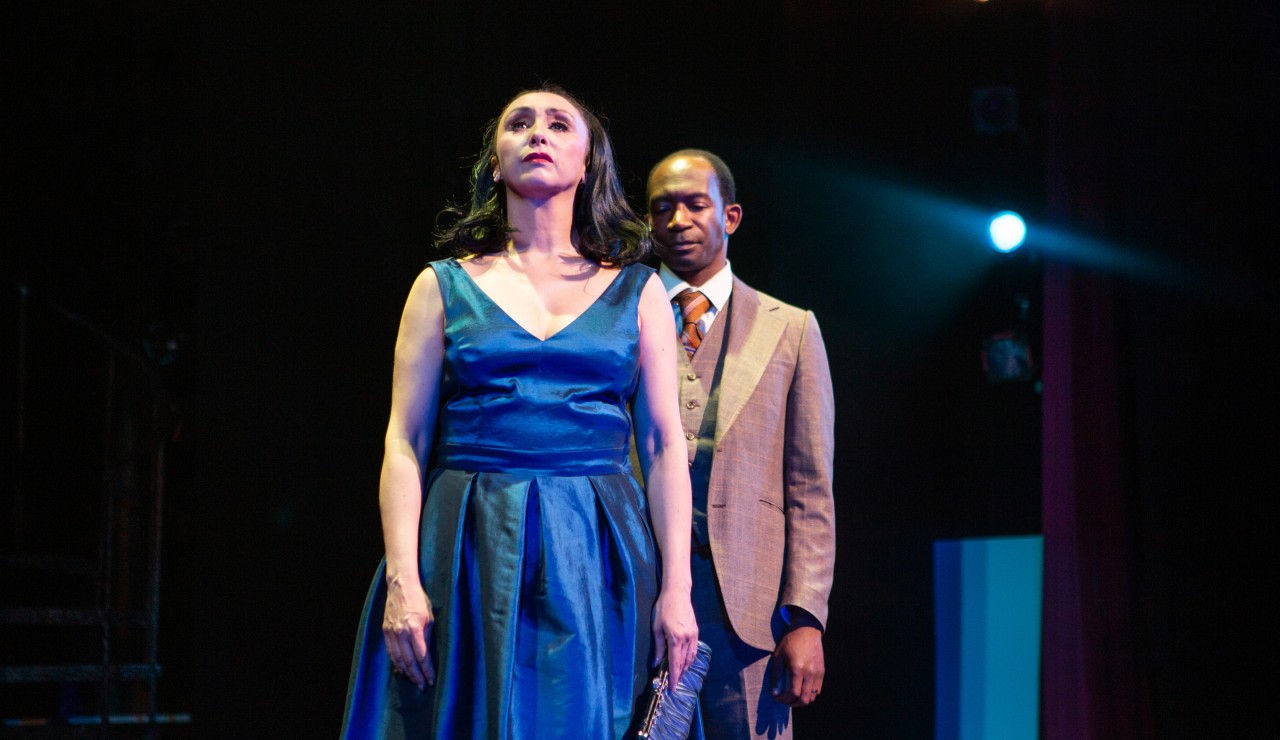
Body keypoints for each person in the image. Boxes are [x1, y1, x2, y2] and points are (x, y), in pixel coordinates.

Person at [341, 88, 698, 740]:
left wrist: (678, 589)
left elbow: (664, 445)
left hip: (598, 547)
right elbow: (404, 440)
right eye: (520, 123)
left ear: (587, 163)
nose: (538, 133)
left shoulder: (639, 289)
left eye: (559, 125)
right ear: (495, 161)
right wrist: (402, 578)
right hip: (469, 542)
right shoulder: (440, 285)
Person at [644, 150, 836, 739]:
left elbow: (810, 487)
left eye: (694, 204)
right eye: (662, 208)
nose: (678, 220)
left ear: (729, 216)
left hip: (747, 612)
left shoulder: (791, 328)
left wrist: (806, 618)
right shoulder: (619, 321)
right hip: (638, 598)